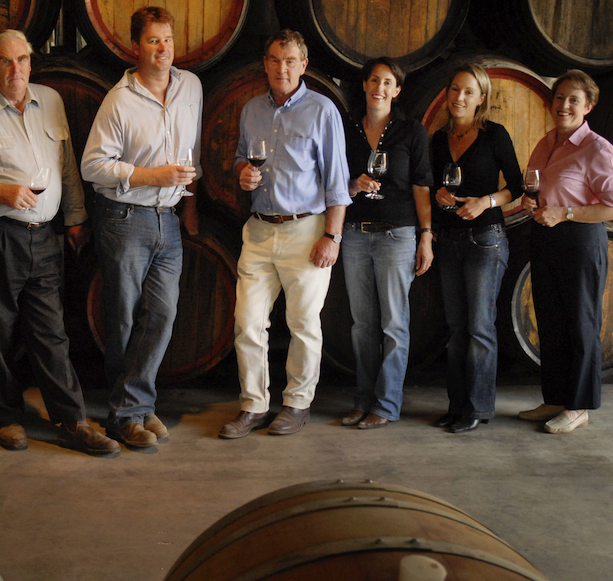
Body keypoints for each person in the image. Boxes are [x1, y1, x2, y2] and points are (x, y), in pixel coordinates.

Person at [0, 30, 119, 457]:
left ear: (31, 63)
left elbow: (66, 165)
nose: (15, 69)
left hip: (46, 236)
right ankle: (7, 418)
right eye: (5, 61)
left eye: (22, 59)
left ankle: (72, 421)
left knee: (51, 332)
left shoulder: (50, 101)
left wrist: (75, 218)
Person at [218, 29, 350, 439]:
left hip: (306, 230)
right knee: (247, 322)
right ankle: (253, 405)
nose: (282, 68)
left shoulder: (323, 110)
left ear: (303, 65)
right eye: (275, 60)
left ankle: (297, 403)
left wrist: (333, 236)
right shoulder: (252, 109)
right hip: (259, 230)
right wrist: (243, 173)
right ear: (265, 64)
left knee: (303, 323)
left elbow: (338, 183)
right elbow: (242, 159)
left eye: (290, 60)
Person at [81, 6, 201, 449]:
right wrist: (152, 176)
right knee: (124, 319)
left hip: (167, 220)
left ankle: (134, 405)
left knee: (163, 316)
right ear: (136, 47)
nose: (162, 48)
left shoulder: (191, 86)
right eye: (153, 40)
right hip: (124, 217)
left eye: (167, 39)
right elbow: (92, 166)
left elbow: (193, 150)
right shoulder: (120, 99)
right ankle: (128, 415)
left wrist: (189, 203)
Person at [518, 69, 613, 434]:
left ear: (588, 106)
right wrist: (530, 199)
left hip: (579, 240)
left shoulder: (597, 148)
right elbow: (534, 187)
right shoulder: (546, 142)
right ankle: (555, 399)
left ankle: (579, 406)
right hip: (545, 236)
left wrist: (564, 212)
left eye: (573, 100)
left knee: (581, 325)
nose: (564, 105)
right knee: (550, 322)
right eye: (560, 98)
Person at [341, 57, 433, 430]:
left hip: (398, 234)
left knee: (394, 324)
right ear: (364, 85)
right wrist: (353, 186)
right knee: (362, 324)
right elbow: (335, 181)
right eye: (374, 80)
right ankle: (363, 400)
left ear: (397, 90)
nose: (380, 88)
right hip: (355, 233)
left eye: (388, 82)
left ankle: (387, 404)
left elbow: (422, 187)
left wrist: (426, 236)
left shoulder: (412, 132)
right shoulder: (348, 129)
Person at [430, 64, 523, 433]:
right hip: (450, 239)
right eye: (455, 89)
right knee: (456, 328)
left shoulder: (494, 135)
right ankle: (456, 405)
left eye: (469, 92)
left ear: (481, 98)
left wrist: (485, 201)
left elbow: (516, 186)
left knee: (480, 327)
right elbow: (436, 187)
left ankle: (478, 407)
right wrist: (440, 196)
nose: (460, 98)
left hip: (486, 239)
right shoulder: (438, 139)